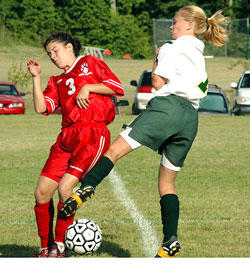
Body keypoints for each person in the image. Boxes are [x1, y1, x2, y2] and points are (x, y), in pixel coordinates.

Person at [60, 6, 230, 257]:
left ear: (189, 26)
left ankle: (86, 188)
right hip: (191, 118)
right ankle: (170, 240)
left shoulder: (171, 47)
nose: (171, 27)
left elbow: (158, 82)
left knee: (114, 151)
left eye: (175, 22)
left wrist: (157, 56)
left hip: (167, 108)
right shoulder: (199, 52)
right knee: (167, 183)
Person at [27, 32, 124, 257]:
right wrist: (36, 77)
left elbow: (116, 86)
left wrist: (88, 87)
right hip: (67, 137)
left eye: (55, 51)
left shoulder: (91, 63)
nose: (52, 56)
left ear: (69, 47)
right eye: (49, 53)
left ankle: (59, 245)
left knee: (65, 189)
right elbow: (42, 108)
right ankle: (45, 247)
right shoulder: (56, 80)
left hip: (92, 133)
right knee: (41, 193)